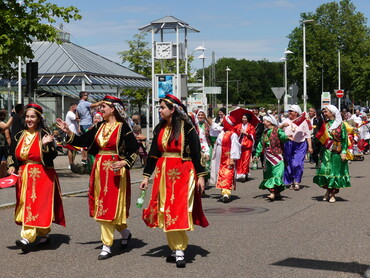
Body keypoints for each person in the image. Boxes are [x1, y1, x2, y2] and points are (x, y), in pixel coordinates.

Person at [56, 95, 139, 260]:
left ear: (113, 109)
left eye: (104, 107)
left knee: (111, 206)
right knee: (104, 205)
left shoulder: (124, 128)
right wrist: (67, 130)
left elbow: (134, 149)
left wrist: (124, 163)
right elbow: (82, 140)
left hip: (115, 171)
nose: (100, 110)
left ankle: (107, 245)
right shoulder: (99, 126)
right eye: (100, 107)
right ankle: (124, 233)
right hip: (100, 169)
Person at [139, 94, 208, 268]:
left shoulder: (187, 128)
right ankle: (173, 247)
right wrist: (146, 176)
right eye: (160, 107)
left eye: (162, 107)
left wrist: (201, 176)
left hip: (183, 172)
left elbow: (196, 153)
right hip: (163, 173)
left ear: (173, 109)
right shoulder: (159, 128)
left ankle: (179, 250)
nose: (160, 110)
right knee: (164, 208)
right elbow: (153, 154)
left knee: (178, 208)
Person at [7, 103, 65, 252]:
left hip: (42, 175)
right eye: (27, 116)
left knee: (36, 205)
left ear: (38, 119)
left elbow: (53, 155)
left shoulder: (45, 134)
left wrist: (45, 145)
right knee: (26, 204)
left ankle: (27, 238)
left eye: (32, 117)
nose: (29, 119)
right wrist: (12, 165)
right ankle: (44, 233)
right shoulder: (19, 135)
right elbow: (11, 154)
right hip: (24, 175)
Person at [313, 105, 351, 203]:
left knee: (334, 173)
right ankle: (328, 190)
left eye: (326, 112)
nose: (324, 114)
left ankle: (333, 194)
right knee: (325, 172)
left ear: (332, 112)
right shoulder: (324, 124)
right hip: (325, 152)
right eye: (324, 112)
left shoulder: (341, 125)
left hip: (336, 152)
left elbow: (344, 140)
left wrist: (343, 152)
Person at [253, 114, 291, 201]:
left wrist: (287, 137)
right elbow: (260, 144)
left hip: (277, 156)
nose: (263, 122)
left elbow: (282, 137)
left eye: (265, 121)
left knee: (276, 174)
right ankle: (276, 192)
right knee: (269, 175)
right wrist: (257, 154)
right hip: (267, 158)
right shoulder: (265, 132)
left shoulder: (277, 130)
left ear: (269, 122)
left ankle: (273, 193)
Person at [280, 105, 313, 190]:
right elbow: (277, 131)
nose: (289, 113)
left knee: (297, 164)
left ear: (296, 113)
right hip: (288, 144)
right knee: (289, 163)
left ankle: (297, 181)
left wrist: (310, 146)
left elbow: (307, 135)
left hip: (300, 145)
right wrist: (283, 125)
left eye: (291, 111)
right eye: (289, 111)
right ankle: (291, 181)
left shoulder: (302, 121)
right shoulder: (285, 121)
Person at [214, 115, 241, 202]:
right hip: (220, 156)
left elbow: (235, 146)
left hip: (228, 157)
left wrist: (233, 158)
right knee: (221, 173)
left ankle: (226, 193)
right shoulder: (222, 132)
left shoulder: (233, 134)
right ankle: (223, 192)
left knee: (227, 173)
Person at [76, 91, 103, 164]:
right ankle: (89, 159)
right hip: (87, 124)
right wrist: (103, 101)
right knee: (90, 142)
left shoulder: (78, 105)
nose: (87, 96)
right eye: (86, 95)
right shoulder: (85, 103)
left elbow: (77, 117)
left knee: (84, 143)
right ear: (82, 96)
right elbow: (96, 104)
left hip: (82, 123)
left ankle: (84, 159)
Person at [235, 113, 256, 182]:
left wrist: (246, 133)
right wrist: (240, 132)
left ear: (248, 119)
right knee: (239, 160)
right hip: (239, 144)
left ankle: (244, 173)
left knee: (246, 160)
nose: (243, 119)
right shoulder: (239, 125)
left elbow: (252, 136)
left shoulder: (251, 126)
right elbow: (234, 132)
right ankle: (239, 173)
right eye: (243, 118)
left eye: (245, 118)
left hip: (247, 145)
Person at [65, 103, 79, 168]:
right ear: (72, 107)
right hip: (70, 133)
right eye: (76, 107)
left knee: (75, 149)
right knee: (70, 149)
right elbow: (76, 118)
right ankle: (70, 163)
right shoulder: (70, 113)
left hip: (74, 133)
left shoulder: (72, 113)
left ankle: (72, 162)